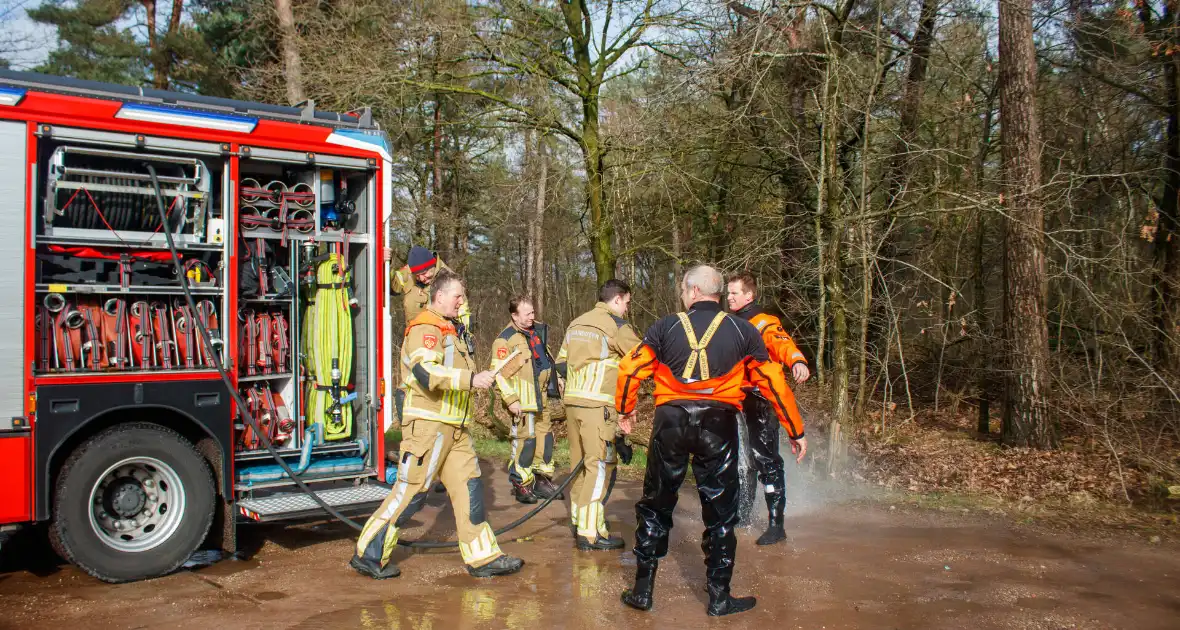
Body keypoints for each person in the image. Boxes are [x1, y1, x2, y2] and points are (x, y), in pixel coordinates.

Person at [615, 265, 806, 617]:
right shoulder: (743, 330)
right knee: (720, 512)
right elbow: (772, 382)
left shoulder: (665, 326)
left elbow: (629, 370)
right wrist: (795, 430)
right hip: (717, 424)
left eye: (683, 290)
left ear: (692, 291)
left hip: (670, 422)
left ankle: (643, 591)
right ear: (718, 294)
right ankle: (719, 598)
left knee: (656, 505)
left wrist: (625, 412)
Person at [351, 270, 523, 579]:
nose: (461, 301)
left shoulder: (452, 329)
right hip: (428, 427)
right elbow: (426, 374)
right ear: (439, 295)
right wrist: (472, 378)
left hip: (455, 430)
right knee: (411, 492)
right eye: (457, 296)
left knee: (470, 490)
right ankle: (369, 554)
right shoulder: (425, 328)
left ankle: (483, 557)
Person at [554, 279, 643, 551]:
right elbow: (643, 358)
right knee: (599, 466)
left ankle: (581, 521)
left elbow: (560, 363)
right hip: (598, 406)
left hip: (572, 403)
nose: (627, 309)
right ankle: (590, 533)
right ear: (617, 299)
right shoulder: (617, 326)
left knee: (579, 464)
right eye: (627, 303)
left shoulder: (576, 323)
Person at [725, 272, 810, 545]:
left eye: (735, 293)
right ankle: (743, 515)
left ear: (749, 295)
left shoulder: (765, 322)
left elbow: (783, 344)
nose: (729, 297)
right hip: (734, 399)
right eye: (727, 293)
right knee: (741, 461)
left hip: (760, 400)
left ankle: (776, 524)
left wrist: (798, 360)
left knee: (765, 458)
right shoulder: (727, 323)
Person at [490, 296, 562, 503]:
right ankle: (521, 483)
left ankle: (542, 480)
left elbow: (545, 361)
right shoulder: (505, 340)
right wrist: (511, 400)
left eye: (533, 312)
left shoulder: (535, 333)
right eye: (527, 313)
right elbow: (498, 374)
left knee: (545, 440)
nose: (532, 317)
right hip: (523, 401)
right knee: (525, 443)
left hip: (542, 398)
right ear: (514, 315)